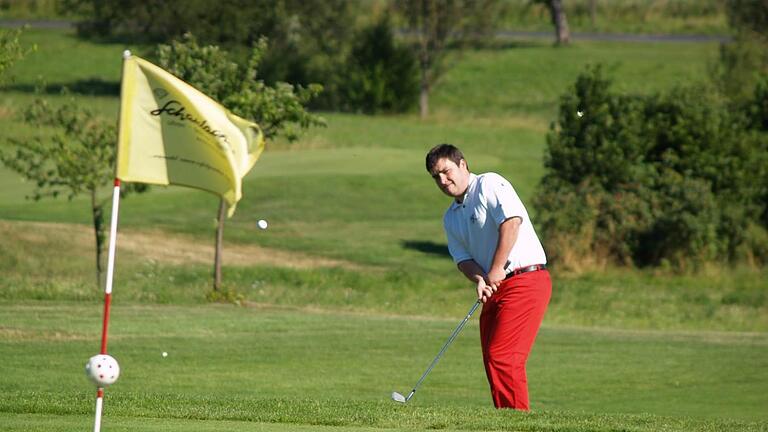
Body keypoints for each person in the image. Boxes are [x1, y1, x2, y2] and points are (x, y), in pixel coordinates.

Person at [425, 143, 551, 410]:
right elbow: (463, 260)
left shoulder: (489, 184)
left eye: (446, 172)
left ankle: (517, 424)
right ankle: (506, 419)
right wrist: (481, 278)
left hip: (525, 280)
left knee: (504, 356)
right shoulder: (451, 217)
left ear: (462, 164)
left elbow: (511, 222)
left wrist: (494, 269)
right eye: (436, 177)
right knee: (492, 359)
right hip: (496, 286)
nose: (443, 181)